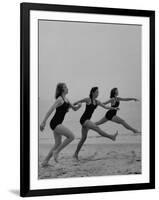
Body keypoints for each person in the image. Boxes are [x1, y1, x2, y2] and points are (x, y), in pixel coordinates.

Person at [40, 83, 81, 166]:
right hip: (55, 123)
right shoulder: (60, 99)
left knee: (58, 143)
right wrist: (43, 121)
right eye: (65, 87)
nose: (67, 88)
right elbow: (51, 109)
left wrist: (79, 106)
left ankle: (45, 161)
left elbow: (74, 109)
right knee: (71, 136)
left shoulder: (67, 100)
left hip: (58, 124)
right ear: (62, 89)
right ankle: (57, 152)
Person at [73, 87, 119, 160]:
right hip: (84, 120)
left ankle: (75, 154)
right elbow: (78, 101)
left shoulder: (97, 102)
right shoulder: (88, 99)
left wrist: (114, 108)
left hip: (87, 120)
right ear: (93, 92)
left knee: (83, 139)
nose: (98, 93)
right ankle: (111, 137)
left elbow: (106, 107)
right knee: (97, 128)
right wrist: (72, 106)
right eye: (97, 92)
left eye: (98, 92)